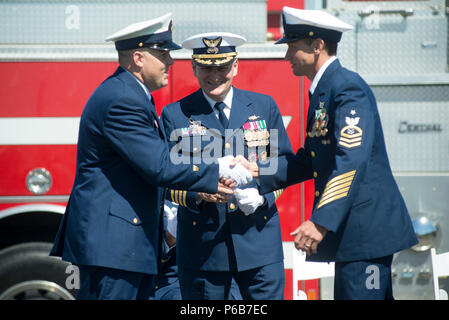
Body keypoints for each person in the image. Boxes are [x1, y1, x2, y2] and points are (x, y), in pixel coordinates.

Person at [49, 14, 252, 300]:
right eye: (163, 53)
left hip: (122, 248)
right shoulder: (123, 99)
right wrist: (218, 167)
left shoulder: (130, 93)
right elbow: (158, 165)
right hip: (112, 251)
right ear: (138, 58)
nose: (170, 61)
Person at [235, 7, 418, 300]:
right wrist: (259, 171)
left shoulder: (346, 87)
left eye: (292, 47)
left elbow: (350, 160)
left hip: (366, 235)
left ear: (317, 45)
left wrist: (320, 221)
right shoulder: (324, 91)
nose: (286, 56)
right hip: (355, 236)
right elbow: (311, 159)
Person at [160, 32, 293, 300]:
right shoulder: (175, 115)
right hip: (203, 251)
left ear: (235, 66)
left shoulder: (264, 107)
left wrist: (262, 197)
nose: (214, 75)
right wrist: (197, 195)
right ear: (194, 68)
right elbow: (163, 180)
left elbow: (284, 166)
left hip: (259, 245)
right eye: (207, 68)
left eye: (222, 66)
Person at [153, 201, 243, 300]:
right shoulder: (161, 196)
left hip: (220, 272)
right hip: (171, 279)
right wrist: (169, 239)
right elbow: (142, 254)